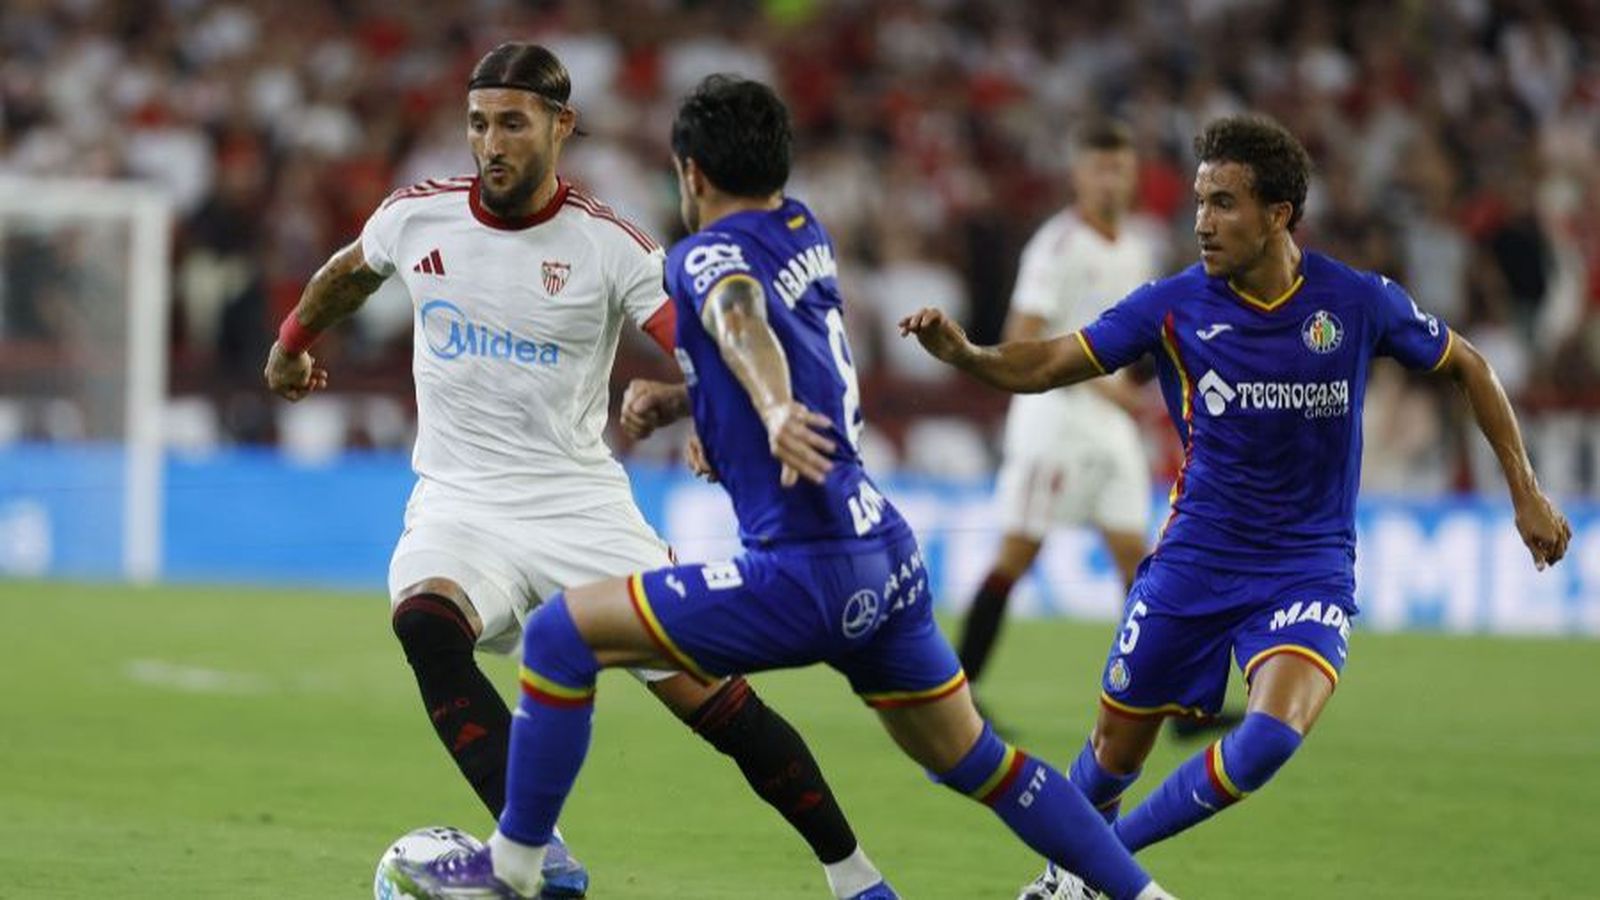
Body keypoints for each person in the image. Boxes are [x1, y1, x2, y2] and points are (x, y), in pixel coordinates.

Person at [398, 75, 1177, 900]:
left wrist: (767, 411)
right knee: (979, 761)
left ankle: (513, 874)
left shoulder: (705, 256)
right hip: (885, 553)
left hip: (805, 571)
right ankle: (1129, 896)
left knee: (560, 637)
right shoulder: (805, 229)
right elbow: (783, 345)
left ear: (690, 173)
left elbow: (741, 321)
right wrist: (687, 399)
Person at [263, 44, 886, 899]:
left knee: (716, 707)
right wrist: (292, 346)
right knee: (424, 623)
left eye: (512, 123)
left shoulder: (608, 243)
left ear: (561, 127)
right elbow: (348, 273)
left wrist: (712, 408)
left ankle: (855, 877)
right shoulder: (418, 217)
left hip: (581, 509)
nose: (491, 144)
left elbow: (700, 338)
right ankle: (539, 858)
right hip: (461, 502)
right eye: (479, 124)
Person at [899, 114, 1572, 900]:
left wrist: (1525, 489)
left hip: (1307, 569)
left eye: (1223, 203)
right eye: (1198, 201)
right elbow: (1052, 360)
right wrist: (969, 356)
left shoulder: (1354, 302)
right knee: (1115, 750)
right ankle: (1079, 868)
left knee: (1267, 740)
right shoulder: (1174, 305)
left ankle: (1089, 866)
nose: (1200, 223)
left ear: (1278, 214)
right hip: (1196, 561)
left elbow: (1471, 366)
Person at [958, 118, 1157, 701]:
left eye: (1119, 169)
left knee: (1137, 560)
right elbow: (1022, 335)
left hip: (1110, 423)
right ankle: (952, 699)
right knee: (1017, 554)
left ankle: (1165, 701)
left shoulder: (1138, 247)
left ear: (1134, 175)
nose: (1109, 181)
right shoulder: (1056, 246)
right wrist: (1103, 383)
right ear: (1077, 176)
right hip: (1055, 421)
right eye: (1098, 169)